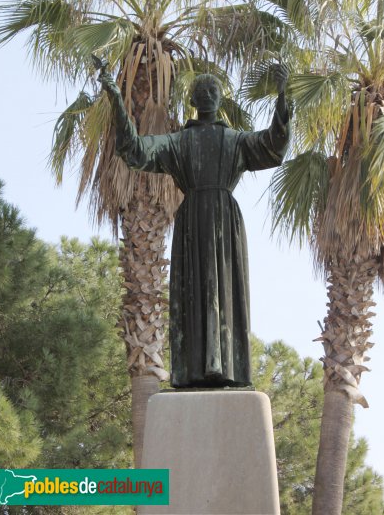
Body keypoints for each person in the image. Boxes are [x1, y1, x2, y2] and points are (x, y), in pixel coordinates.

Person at [101, 65, 290, 388]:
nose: (206, 94)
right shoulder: (178, 143)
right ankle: (192, 370)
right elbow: (134, 149)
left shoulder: (235, 141)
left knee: (225, 289)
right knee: (191, 292)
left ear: (218, 99)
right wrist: (117, 100)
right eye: (201, 91)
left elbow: (273, 146)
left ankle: (228, 367)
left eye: (212, 90)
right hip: (191, 223)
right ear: (193, 99)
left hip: (223, 221)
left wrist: (283, 98)